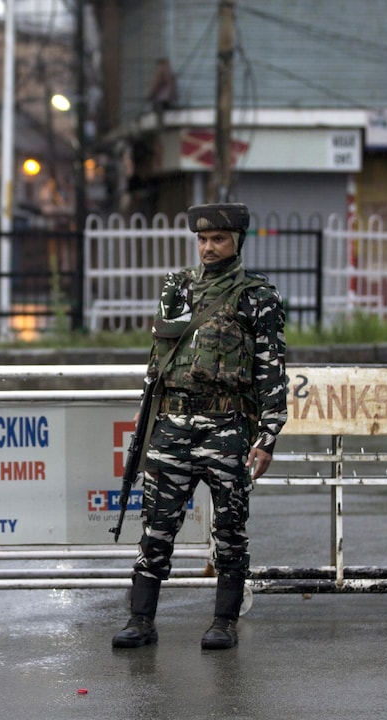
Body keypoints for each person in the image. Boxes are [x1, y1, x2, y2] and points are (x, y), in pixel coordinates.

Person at [111, 202, 288, 651]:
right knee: (156, 527)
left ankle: (223, 622)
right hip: (171, 424)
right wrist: (145, 408)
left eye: (218, 240)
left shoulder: (257, 297)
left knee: (229, 529)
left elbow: (271, 369)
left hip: (225, 426)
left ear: (237, 242)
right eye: (203, 240)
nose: (209, 248)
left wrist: (267, 437)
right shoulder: (178, 287)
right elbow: (159, 356)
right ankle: (141, 620)